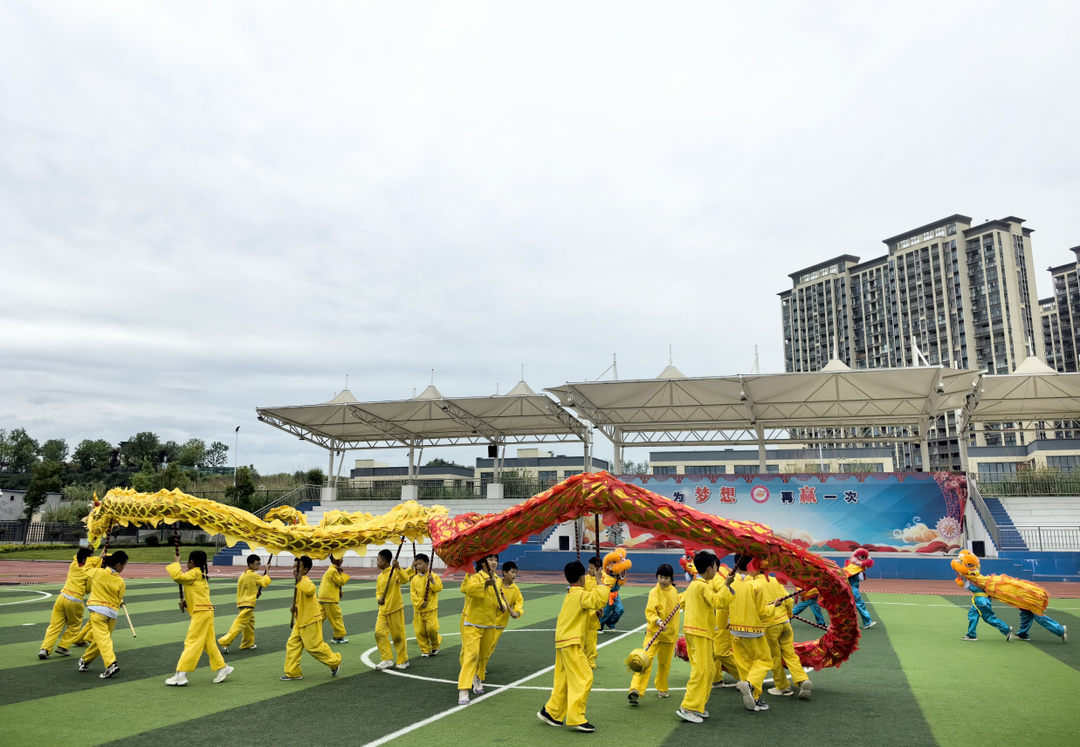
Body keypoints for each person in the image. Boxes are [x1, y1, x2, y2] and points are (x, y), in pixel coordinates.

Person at [537, 560, 610, 733]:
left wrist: (593, 612)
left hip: (563, 641)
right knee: (584, 678)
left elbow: (584, 611)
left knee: (563, 680)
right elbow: (599, 599)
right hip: (571, 642)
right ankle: (576, 717)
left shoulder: (573, 594)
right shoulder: (580, 595)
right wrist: (600, 582)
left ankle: (552, 712)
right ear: (582, 577)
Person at [676, 551, 729, 724]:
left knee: (708, 668)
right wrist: (727, 587)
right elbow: (718, 602)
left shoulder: (695, 585)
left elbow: (682, 602)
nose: (717, 571)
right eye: (716, 568)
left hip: (698, 631)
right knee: (701, 670)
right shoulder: (702, 586)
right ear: (709, 569)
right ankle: (688, 707)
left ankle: (697, 706)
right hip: (699, 632)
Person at [166, 550, 232, 686]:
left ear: (191, 562)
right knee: (208, 643)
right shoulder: (200, 574)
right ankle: (222, 667)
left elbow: (178, 577)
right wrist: (187, 603)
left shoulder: (194, 573)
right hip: (205, 611)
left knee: (192, 641)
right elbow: (199, 594)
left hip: (201, 613)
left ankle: (181, 674)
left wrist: (176, 562)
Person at [726, 555, 774, 713]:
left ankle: (754, 698)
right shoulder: (755, 586)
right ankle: (751, 685)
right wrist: (774, 606)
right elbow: (762, 612)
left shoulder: (730, 583)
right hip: (753, 631)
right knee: (764, 661)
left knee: (744, 665)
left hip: (734, 629)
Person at [282, 555, 342, 680]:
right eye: (293, 567)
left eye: (298, 567)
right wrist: (294, 609)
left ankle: (334, 661)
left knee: (314, 647)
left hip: (310, 620)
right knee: (292, 645)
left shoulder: (306, 581)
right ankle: (293, 672)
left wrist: (300, 579)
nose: (294, 569)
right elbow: (301, 601)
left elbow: (310, 590)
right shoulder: (300, 582)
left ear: (306, 570)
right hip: (301, 620)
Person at [628, 563, 680, 705]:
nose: (663, 580)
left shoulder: (675, 592)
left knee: (664, 664)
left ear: (671, 578)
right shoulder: (654, 592)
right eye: (660, 577)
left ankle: (662, 688)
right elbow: (650, 611)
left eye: (666, 577)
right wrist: (657, 621)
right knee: (644, 661)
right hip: (654, 634)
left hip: (669, 636)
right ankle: (635, 689)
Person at [39, 548, 102, 659]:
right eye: (91, 557)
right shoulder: (89, 572)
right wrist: (100, 559)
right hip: (75, 600)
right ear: (85, 559)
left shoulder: (73, 564)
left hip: (62, 597)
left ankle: (45, 649)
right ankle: (63, 647)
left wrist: (92, 549)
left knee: (54, 625)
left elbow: (78, 556)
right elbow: (88, 590)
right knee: (74, 626)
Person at [759, 571, 812, 700]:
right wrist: (789, 615)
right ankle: (802, 679)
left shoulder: (752, 584)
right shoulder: (774, 580)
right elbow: (788, 600)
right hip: (785, 623)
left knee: (774, 657)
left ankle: (782, 687)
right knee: (790, 654)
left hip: (769, 625)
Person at [458, 554, 502, 705]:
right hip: (473, 623)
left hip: (490, 624)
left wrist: (501, 605)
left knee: (483, 656)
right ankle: (464, 689)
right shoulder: (475, 577)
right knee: (472, 655)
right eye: (490, 559)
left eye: (496, 559)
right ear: (483, 562)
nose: (494, 562)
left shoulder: (498, 580)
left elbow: (497, 598)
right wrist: (485, 584)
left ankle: (477, 678)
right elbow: (467, 589)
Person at [78, 551, 128, 679]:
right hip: (112, 613)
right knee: (101, 640)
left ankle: (110, 664)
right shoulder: (121, 581)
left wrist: (98, 558)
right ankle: (86, 660)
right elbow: (119, 597)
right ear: (118, 565)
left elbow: (85, 567)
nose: (123, 568)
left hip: (99, 611)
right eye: (124, 565)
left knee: (101, 640)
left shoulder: (98, 572)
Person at [477, 561, 524, 679]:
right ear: (504, 572)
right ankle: (477, 666)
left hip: (500, 623)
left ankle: (480, 668)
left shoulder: (515, 589)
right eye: (512, 572)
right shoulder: (496, 583)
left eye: (515, 573)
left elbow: (519, 604)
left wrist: (516, 612)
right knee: (482, 645)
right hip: (488, 619)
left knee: (490, 646)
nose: (514, 575)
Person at [217, 554, 272, 653]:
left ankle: (247, 643)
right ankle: (225, 641)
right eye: (257, 564)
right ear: (250, 564)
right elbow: (265, 582)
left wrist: (255, 592)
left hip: (243, 602)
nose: (258, 566)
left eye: (259, 563)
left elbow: (247, 588)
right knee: (240, 624)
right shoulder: (253, 575)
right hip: (248, 603)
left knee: (249, 624)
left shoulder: (244, 575)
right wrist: (267, 570)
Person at [374, 548, 414, 671]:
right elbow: (378, 591)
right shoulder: (380, 577)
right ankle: (386, 659)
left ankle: (403, 660)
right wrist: (379, 599)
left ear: (384, 561)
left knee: (398, 636)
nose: (377, 562)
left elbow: (405, 579)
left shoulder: (395, 572)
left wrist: (397, 567)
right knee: (379, 633)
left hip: (395, 608)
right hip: (383, 610)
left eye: (378, 560)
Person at [960, 573, 1013, 642]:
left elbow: (968, 586)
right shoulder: (975, 578)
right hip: (979, 599)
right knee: (972, 615)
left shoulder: (976, 579)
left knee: (989, 618)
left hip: (982, 601)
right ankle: (971, 635)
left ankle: (1007, 629)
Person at [711, 560, 739, 689]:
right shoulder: (725, 570)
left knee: (721, 651)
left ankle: (744, 675)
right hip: (724, 618)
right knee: (713, 651)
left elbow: (724, 591)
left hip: (723, 620)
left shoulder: (716, 576)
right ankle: (716, 679)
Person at [410, 553, 443, 657]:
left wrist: (432, 581)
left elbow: (438, 588)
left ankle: (435, 645)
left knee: (432, 629)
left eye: (420, 564)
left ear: (427, 564)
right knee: (419, 631)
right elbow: (413, 594)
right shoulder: (414, 579)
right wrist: (420, 602)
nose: (418, 566)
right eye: (416, 565)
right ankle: (425, 650)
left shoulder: (433, 576)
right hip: (418, 610)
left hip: (430, 609)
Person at [318, 555, 351, 644]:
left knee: (318, 617)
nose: (342, 559)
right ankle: (338, 636)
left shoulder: (331, 570)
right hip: (330, 598)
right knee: (336, 617)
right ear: (336, 559)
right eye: (341, 558)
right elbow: (340, 582)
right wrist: (343, 574)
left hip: (323, 597)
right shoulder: (333, 571)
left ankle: (308, 632)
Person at [844, 549, 876, 629]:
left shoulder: (851, 568)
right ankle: (867, 622)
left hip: (848, 590)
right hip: (853, 591)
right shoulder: (854, 569)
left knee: (846, 607)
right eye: (862, 557)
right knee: (859, 604)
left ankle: (843, 623)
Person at [583, 557, 602, 668]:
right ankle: (583, 659)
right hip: (584, 611)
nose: (589, 570)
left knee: (590, 641)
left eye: (592, 568)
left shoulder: (600, 581)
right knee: (582, 639)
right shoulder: (584, 579)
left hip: (593, 614)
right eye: (588, 567)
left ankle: (590, 660)